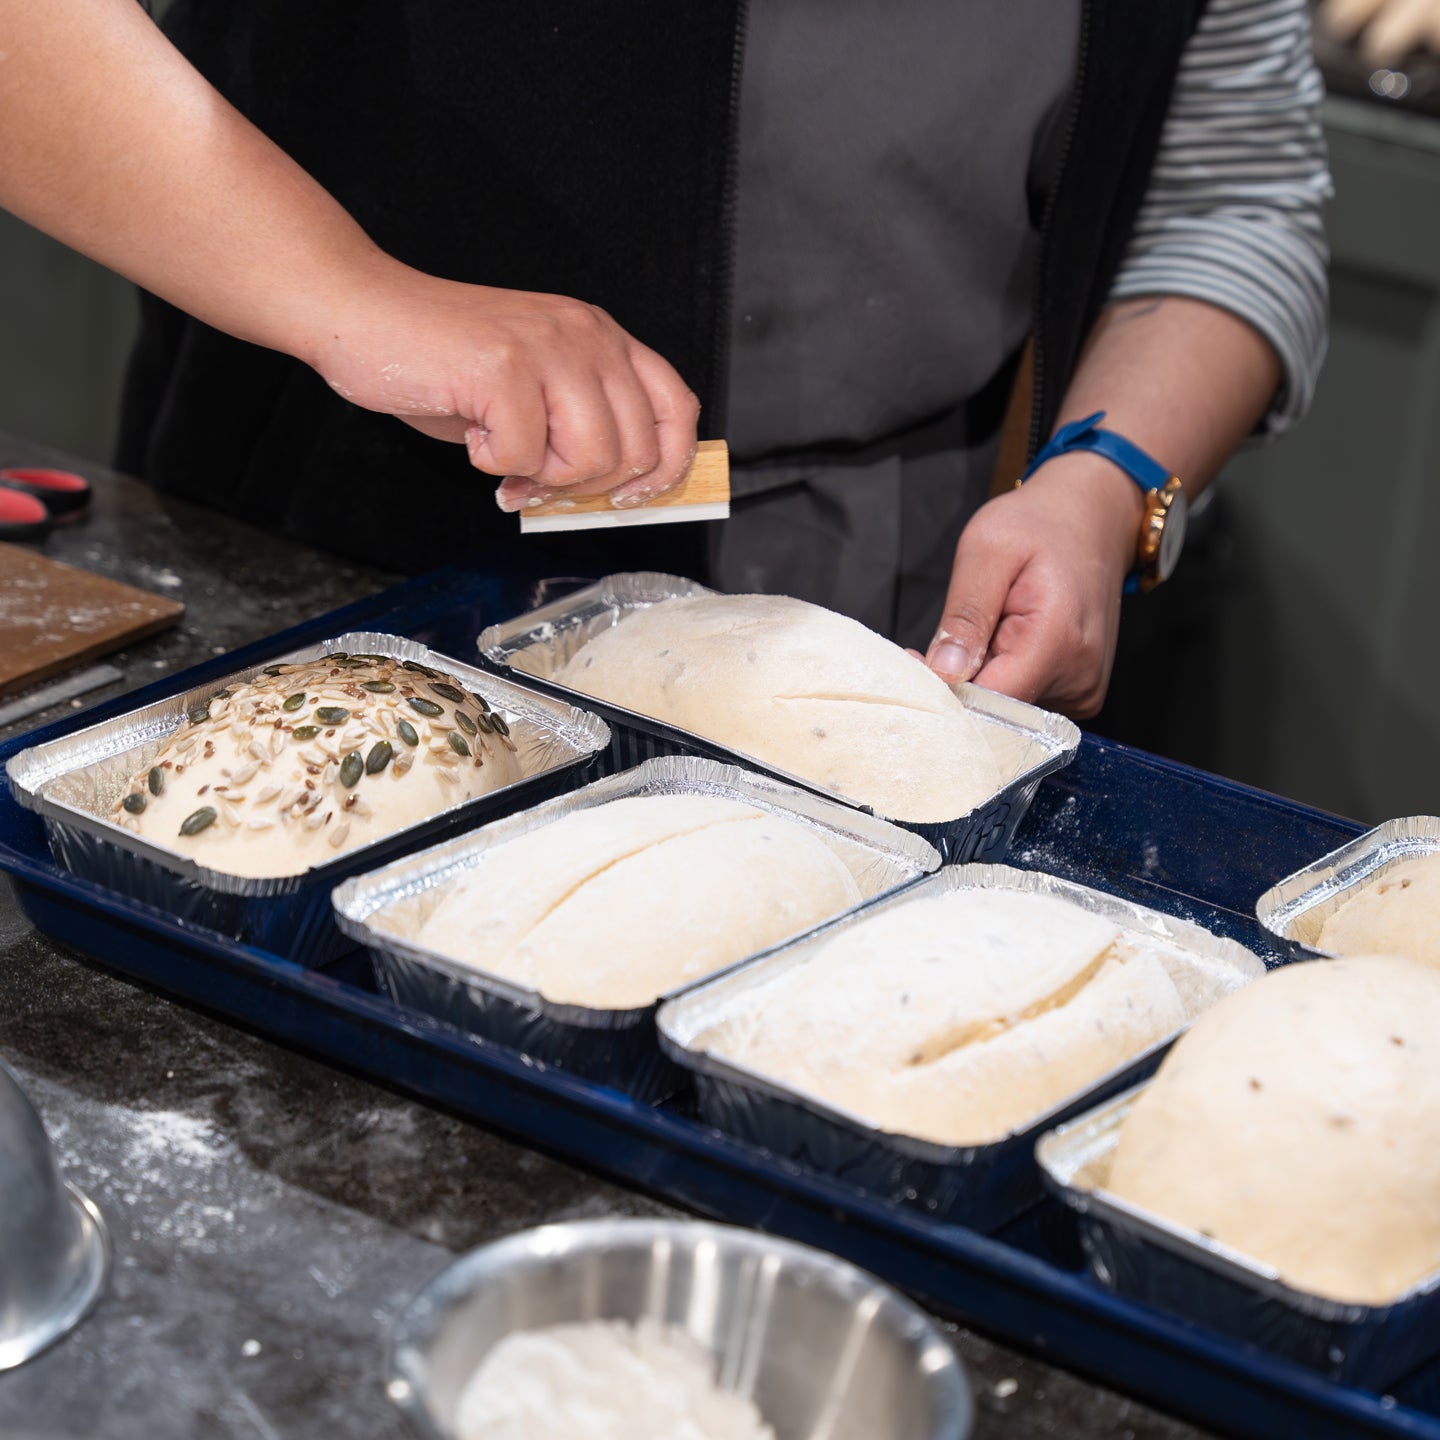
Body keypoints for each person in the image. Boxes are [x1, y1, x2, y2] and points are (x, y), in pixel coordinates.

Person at [1, 1, 1328, 719]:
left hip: (890, 617)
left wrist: (1104, 482)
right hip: (335, 551)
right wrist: (354, 292)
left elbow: (1231, 194)